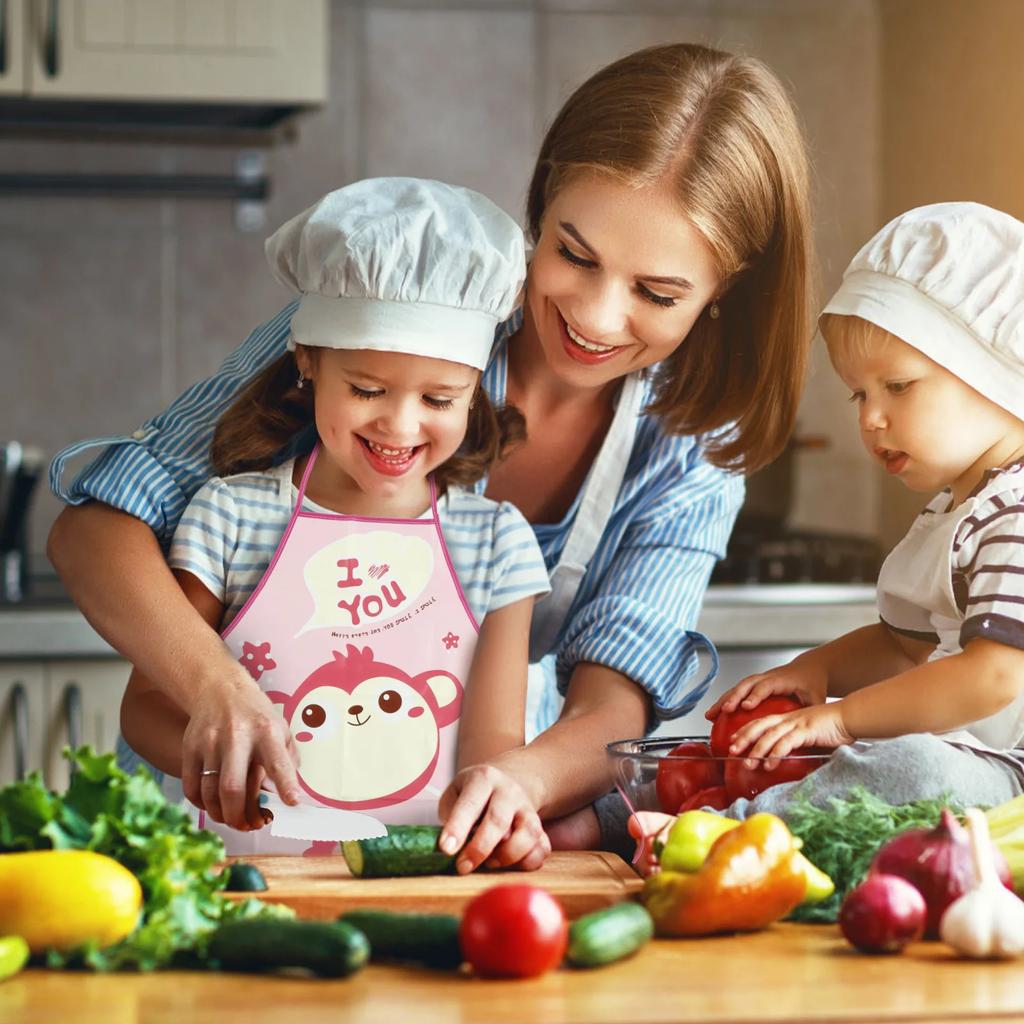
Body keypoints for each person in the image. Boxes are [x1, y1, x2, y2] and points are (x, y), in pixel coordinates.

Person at [47, 43, 815, 868]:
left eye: (656, 294)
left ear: (723, 289)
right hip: (205, 833)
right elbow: (95, 530)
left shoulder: (689, 450)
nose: (594, 314)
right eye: (573, 255)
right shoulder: (389, 311)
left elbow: (609, 706)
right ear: (545, 194)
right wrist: (216, 689)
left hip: (420, 844)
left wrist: (516, 784)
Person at [118, 177, 553, 857]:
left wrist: (499, 808)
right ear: (308, 362)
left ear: (475, 391)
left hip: (423, 885)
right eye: (368, 389)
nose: (400, 425)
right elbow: (146, 707)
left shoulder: (496, 543)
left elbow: (495, 746)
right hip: (248, 887)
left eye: (440, 398)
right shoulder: (230, 518)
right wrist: (220, 763)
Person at [623, 203, 1024, 868]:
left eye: (897, 386)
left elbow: (994, 678)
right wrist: (818, 671)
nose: (870, 419)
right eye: (858, 395)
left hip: (1007, 781)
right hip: (963, 758)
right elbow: (902, 647)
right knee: (871, 756)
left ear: (997, 375)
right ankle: (647, 815)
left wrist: (840, 718)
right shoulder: (953, 511)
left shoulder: (1015, 514)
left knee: (912, 767)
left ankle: (727, 834)